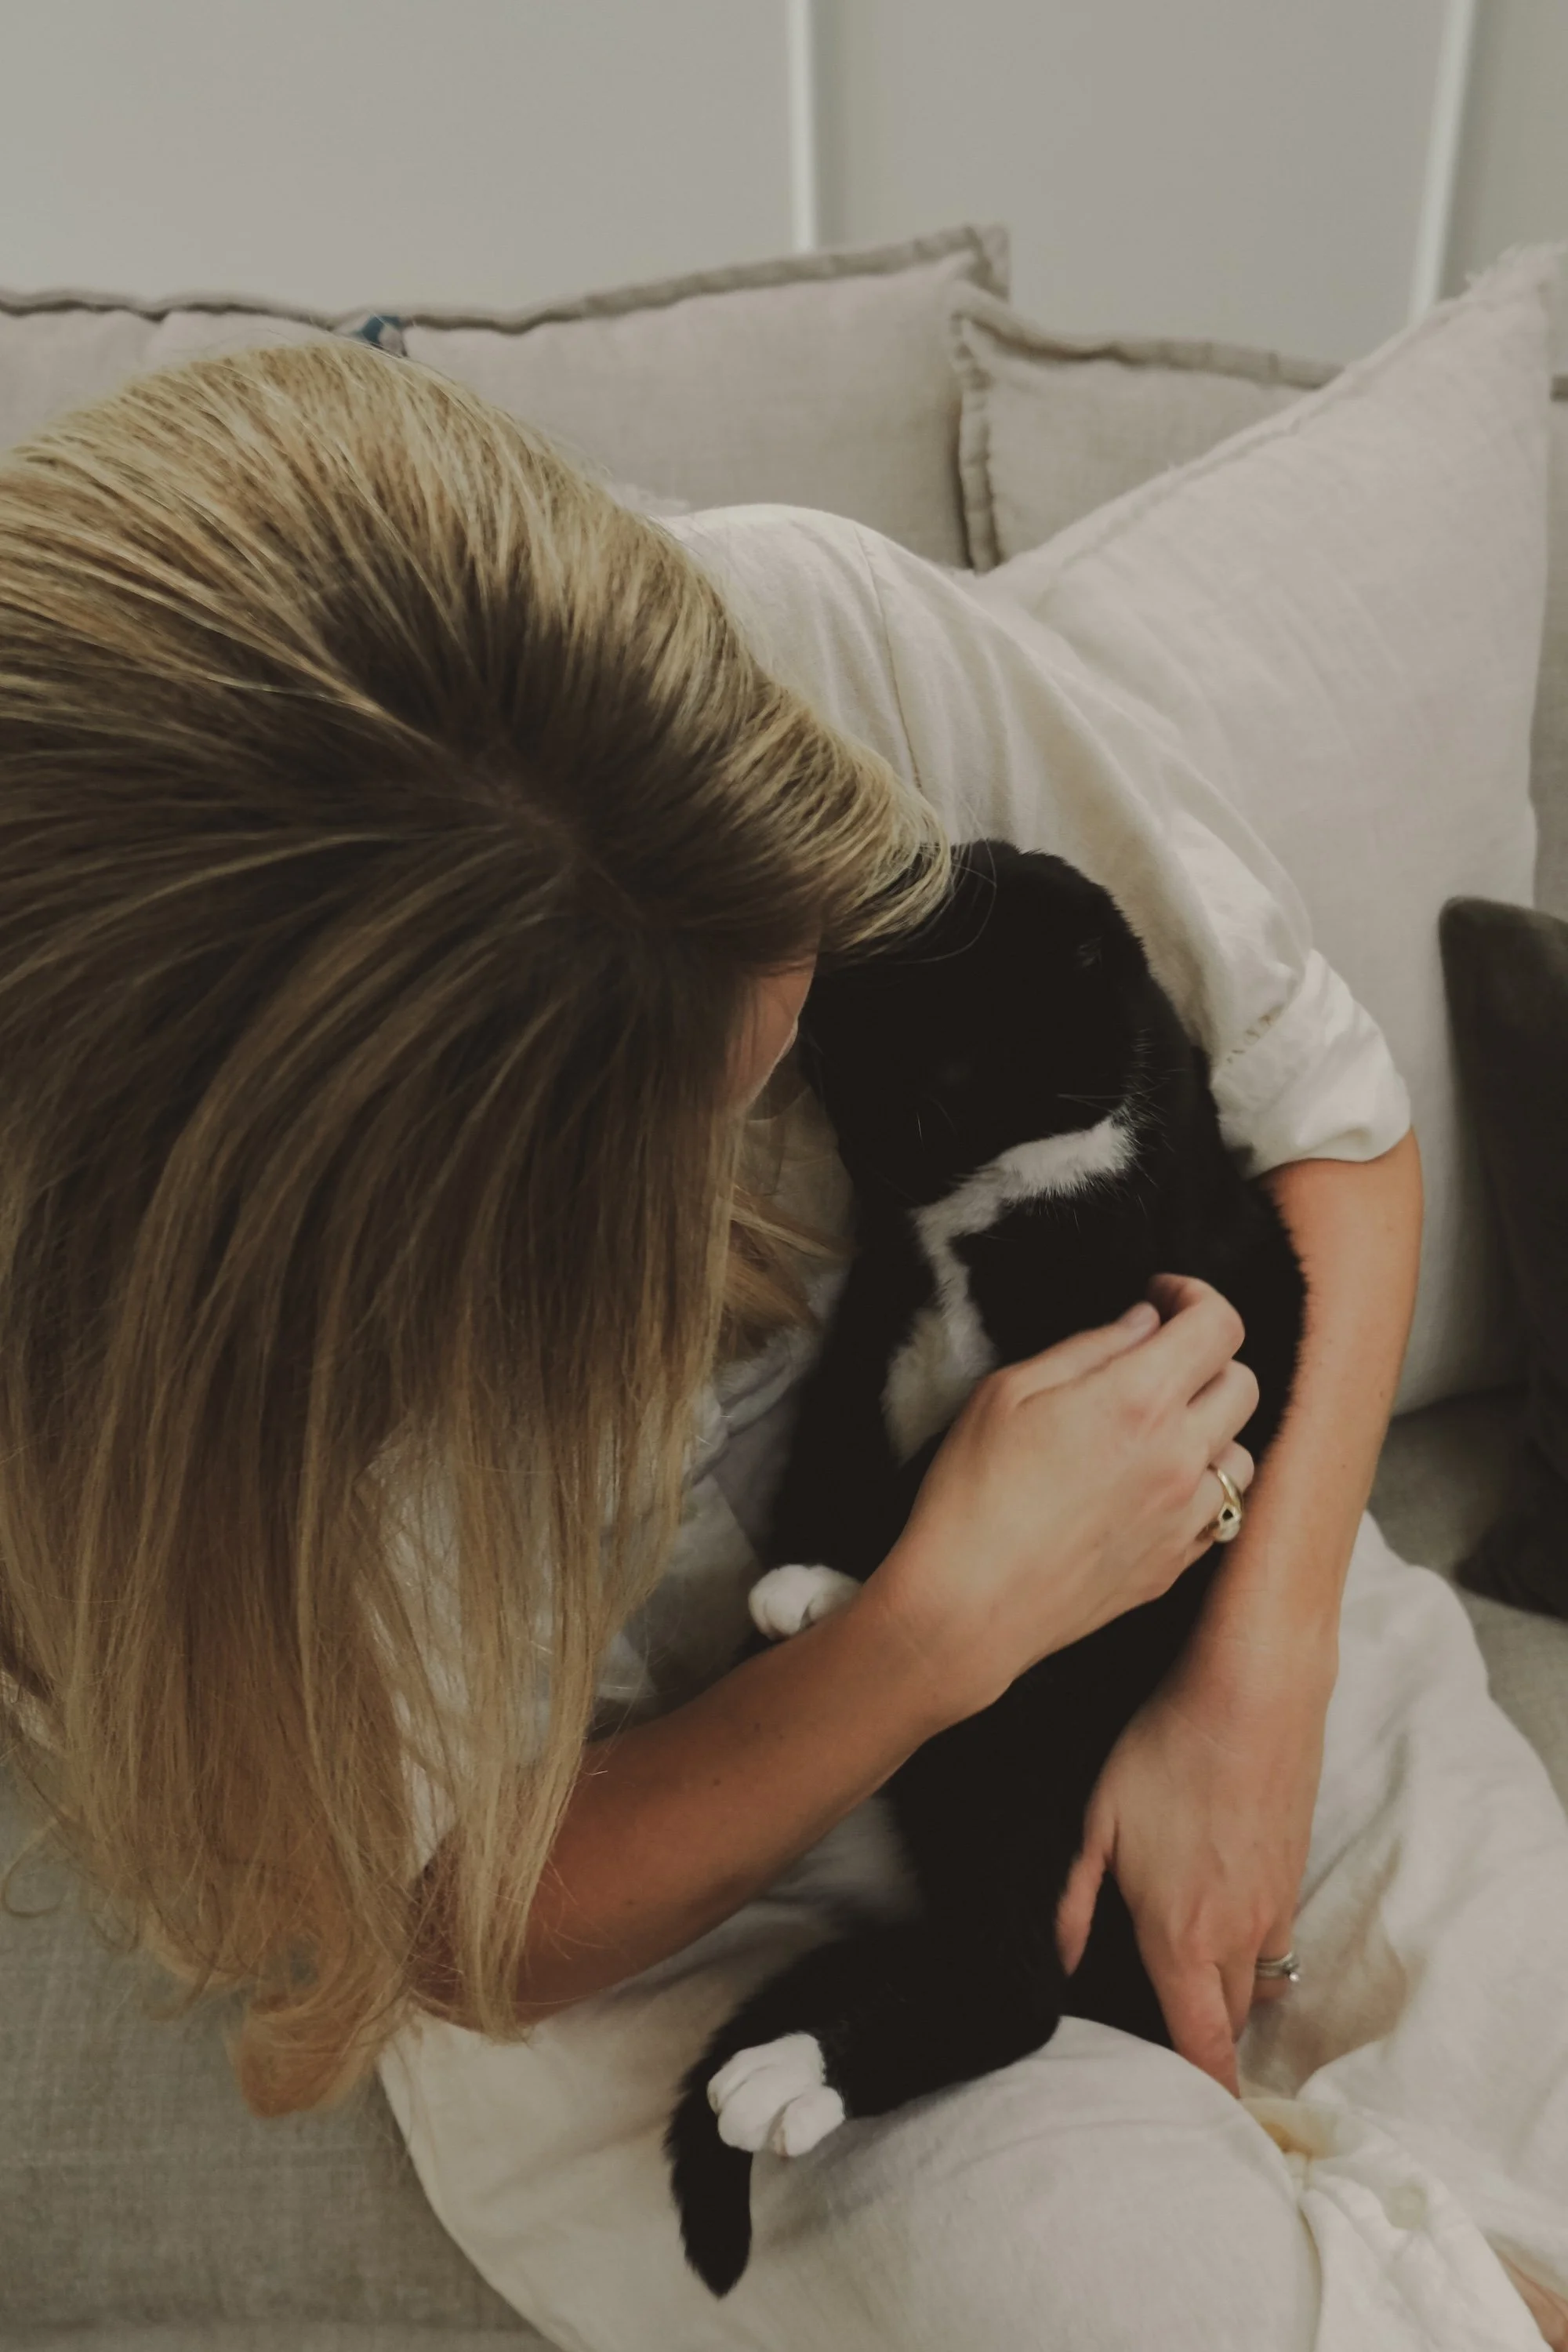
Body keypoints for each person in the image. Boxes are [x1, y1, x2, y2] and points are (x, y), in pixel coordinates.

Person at [0, 336, 1563, 2350]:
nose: (772, 1126)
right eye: (691, 1127)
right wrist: (933, 1632)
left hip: (1222, 1619)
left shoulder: (801, 643)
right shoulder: (162, 1344)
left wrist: (1254, 1688)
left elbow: (1323, 1126)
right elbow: (473, 1920)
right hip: (700, 1907)